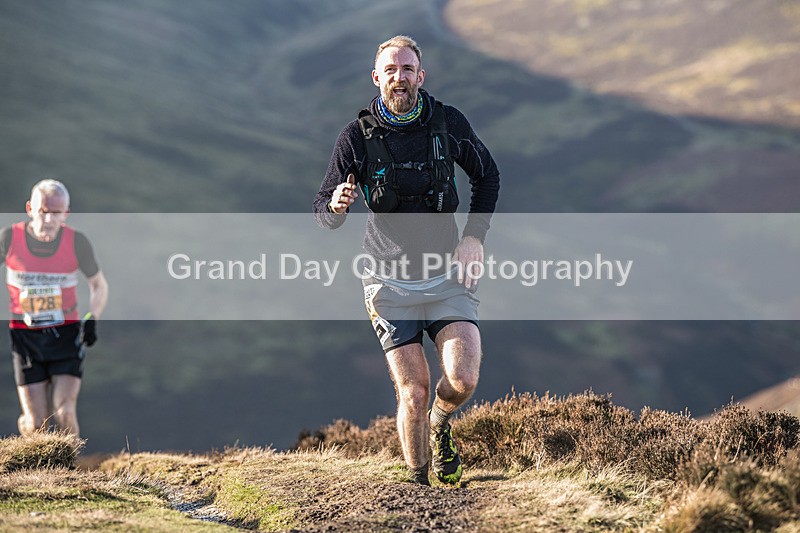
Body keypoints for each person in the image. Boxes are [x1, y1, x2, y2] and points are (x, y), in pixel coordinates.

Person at [314, 36, 500, 485]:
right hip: (387, 284)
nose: (399, 78)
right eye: (390, 71)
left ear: (421, 75)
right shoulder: (355, 137)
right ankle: (418, 485)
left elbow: (487, 175)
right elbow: (323, 210)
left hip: (447, 276)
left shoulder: (447, 123)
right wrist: (336, 206)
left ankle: (440, 423)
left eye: (407, 69)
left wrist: (473, 238)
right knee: (413, 392)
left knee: (463, 379)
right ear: (376, 78)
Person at [1, 179, 108, 438]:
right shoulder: (9, 238)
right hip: (25, 338)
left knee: (64, 413)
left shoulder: (76, 242)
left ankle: (69, 463)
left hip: (65, 334)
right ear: (29, 209)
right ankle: (26, 425)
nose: (48, 219)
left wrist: (92, 317)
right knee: (37, 423)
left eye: (56, 213)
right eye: (43, 211)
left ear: (66, 214)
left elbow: (99, 285)